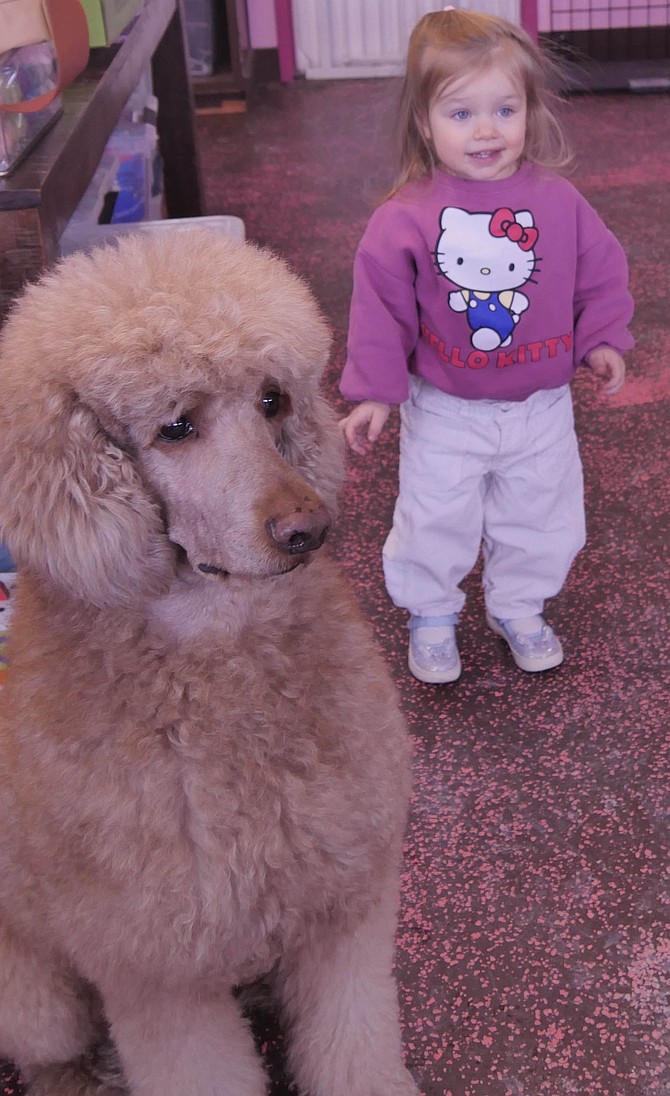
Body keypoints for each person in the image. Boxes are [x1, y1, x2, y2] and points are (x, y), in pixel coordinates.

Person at [339, 7, 634, 685]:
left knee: (543, 516)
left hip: (542, 408)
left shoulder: (559, 202)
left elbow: (600, 272)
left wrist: (601, 338)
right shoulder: (404, 218)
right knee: (434, 516)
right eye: (461, 113)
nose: (487, 130)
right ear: (424, 122)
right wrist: (375, 394)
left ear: (531, 110)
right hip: (447, 409)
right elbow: (380, 312)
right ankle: (431, 614)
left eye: (505, 109)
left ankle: (519, 605)